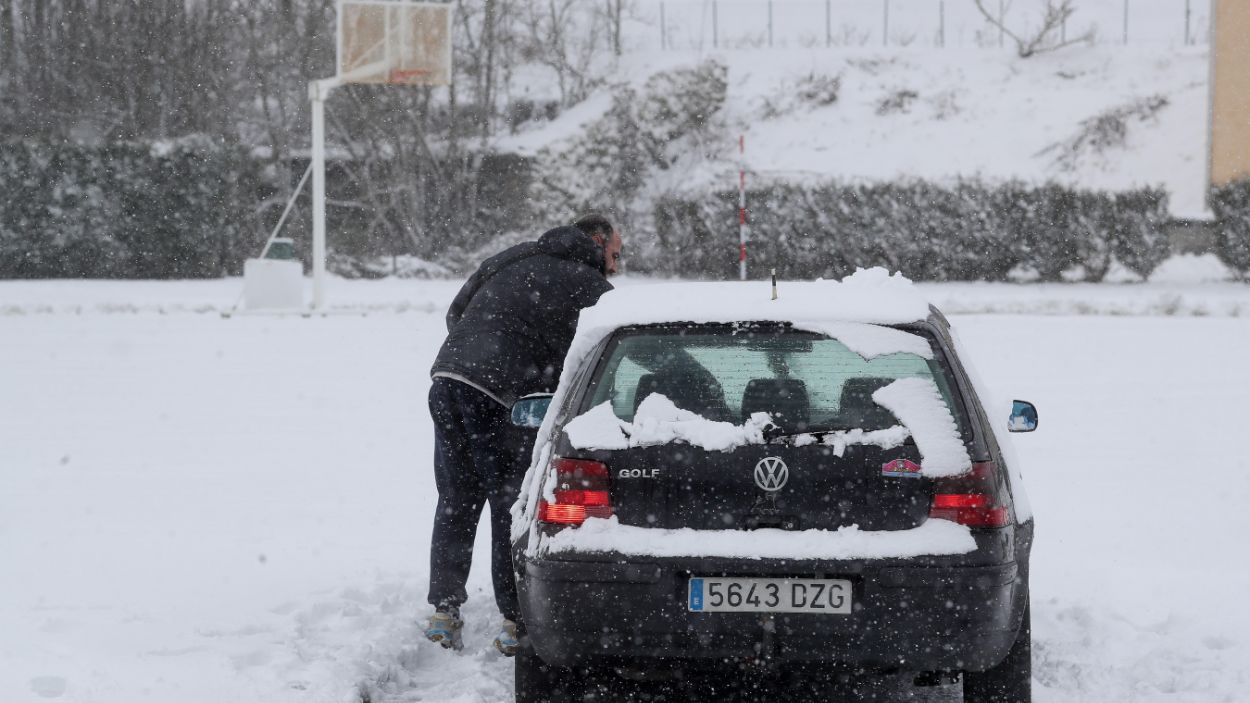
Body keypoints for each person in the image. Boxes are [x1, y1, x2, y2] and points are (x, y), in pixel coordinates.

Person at [423, 214, 623, 655]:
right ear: (596, 243)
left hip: (449, 378)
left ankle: (443, 611)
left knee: (456, 497)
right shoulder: (589, 285)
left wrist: (482, 352)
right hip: (498, 390)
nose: (616, 265)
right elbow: (603, 350)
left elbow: (457, 311)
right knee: (508, 502)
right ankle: (514, 620)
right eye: (615, 254)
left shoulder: (511, 257)